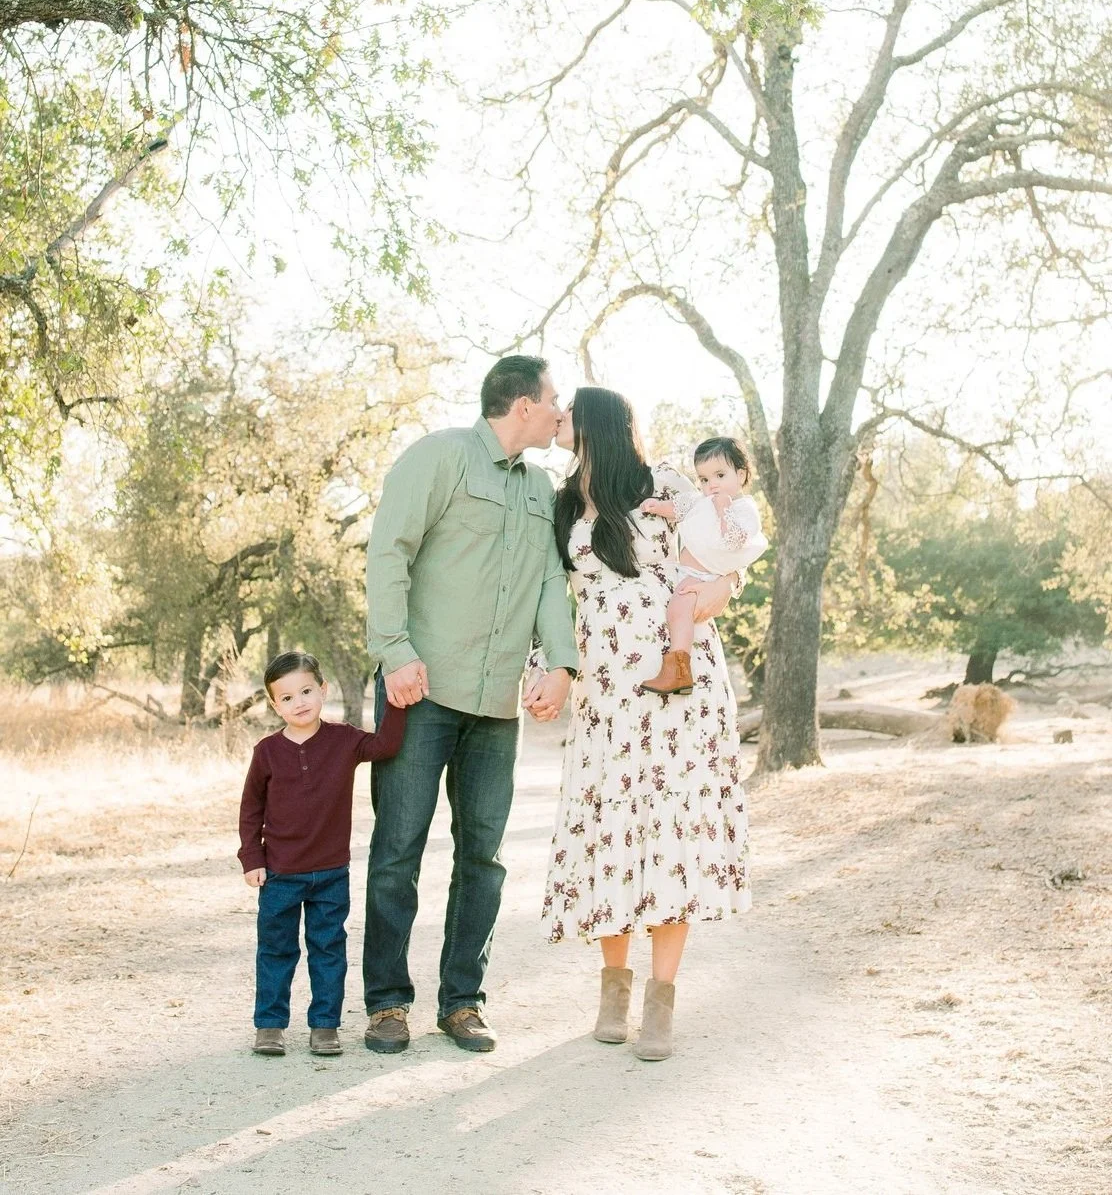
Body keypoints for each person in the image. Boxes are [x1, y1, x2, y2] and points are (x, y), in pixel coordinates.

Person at [362, 355, 580, 1055]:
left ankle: (463, 1001)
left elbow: (551, 577)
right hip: (419, 690)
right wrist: (394, 650)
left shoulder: (542, 487)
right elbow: (389, 549)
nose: (558, 412)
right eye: (553, 401)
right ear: (522, 404)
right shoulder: (440, 456)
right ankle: (388, 1003)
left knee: (483, 856)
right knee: (398, 848)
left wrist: (563, 662)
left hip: (495, 704)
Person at [543, 387, 751, 1061]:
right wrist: (550, 668)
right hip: (605, 689)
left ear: (593, 421)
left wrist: (695, 617)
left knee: (671, 829)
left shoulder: (664, 483)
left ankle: (660, 1002)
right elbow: (552, 594)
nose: (558, 419)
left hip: (676, 684)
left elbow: (726, 563)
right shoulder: (565, 501)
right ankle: (613, 988)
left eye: (567, 410)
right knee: (612, 828)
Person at [238, 650, 405, 1058]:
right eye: (288, 697)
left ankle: (325, 1026)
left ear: (323, 689)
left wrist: (398, 700)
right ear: (275, 704)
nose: (300, 703)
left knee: (328, 950)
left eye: (307, 691)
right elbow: (251, 807)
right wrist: (252, 859)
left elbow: (385, 745)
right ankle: (270, 1025)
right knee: (276, 950)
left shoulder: (343, 740)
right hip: (280, 873)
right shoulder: (267, 752)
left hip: (331, 873)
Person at [639, 435, 768, 697]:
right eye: (705, 479)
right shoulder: (701, 501)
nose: (712, 485)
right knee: (677, 610)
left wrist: (724, 510)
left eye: (720, 475)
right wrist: (656, 507)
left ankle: (678, 670)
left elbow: (735, 540)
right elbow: (679, 508)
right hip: (686, 572)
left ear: (741, 475)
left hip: (703, 577)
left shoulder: (743, 509)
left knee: (678, 609)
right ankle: (678, 668)